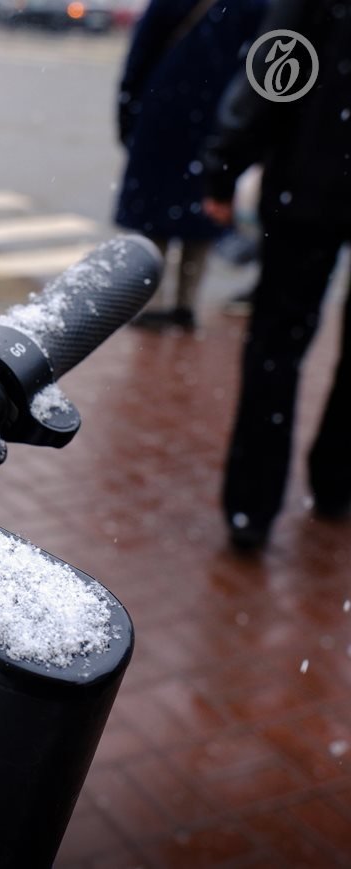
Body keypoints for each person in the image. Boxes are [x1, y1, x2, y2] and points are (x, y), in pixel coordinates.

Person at [202, 0, 351, 550]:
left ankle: (252, 508)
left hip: (309, 184)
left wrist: (224, 165)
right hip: (311, 180)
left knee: (275, 350)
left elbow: (277, 71)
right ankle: (336, 481)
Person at [114, 0, 266, 331]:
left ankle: (154, 301)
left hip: (163, 112)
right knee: (202, 212)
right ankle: (185, 303)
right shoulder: (253, 6)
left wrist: (128, 114)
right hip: (218, 118)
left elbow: (141, 54)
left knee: (155, 217)